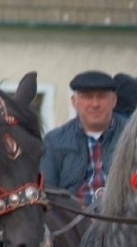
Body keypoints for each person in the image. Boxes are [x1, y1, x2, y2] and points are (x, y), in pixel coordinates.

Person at [41, 69, 129, 207]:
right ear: (74, 102)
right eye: (87, 97)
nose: (95, 104)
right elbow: (47, 189)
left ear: (114, 100)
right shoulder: (53, 141)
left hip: (122, 218)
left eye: (101, 97)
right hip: (73, 221)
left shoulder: (131, 137)